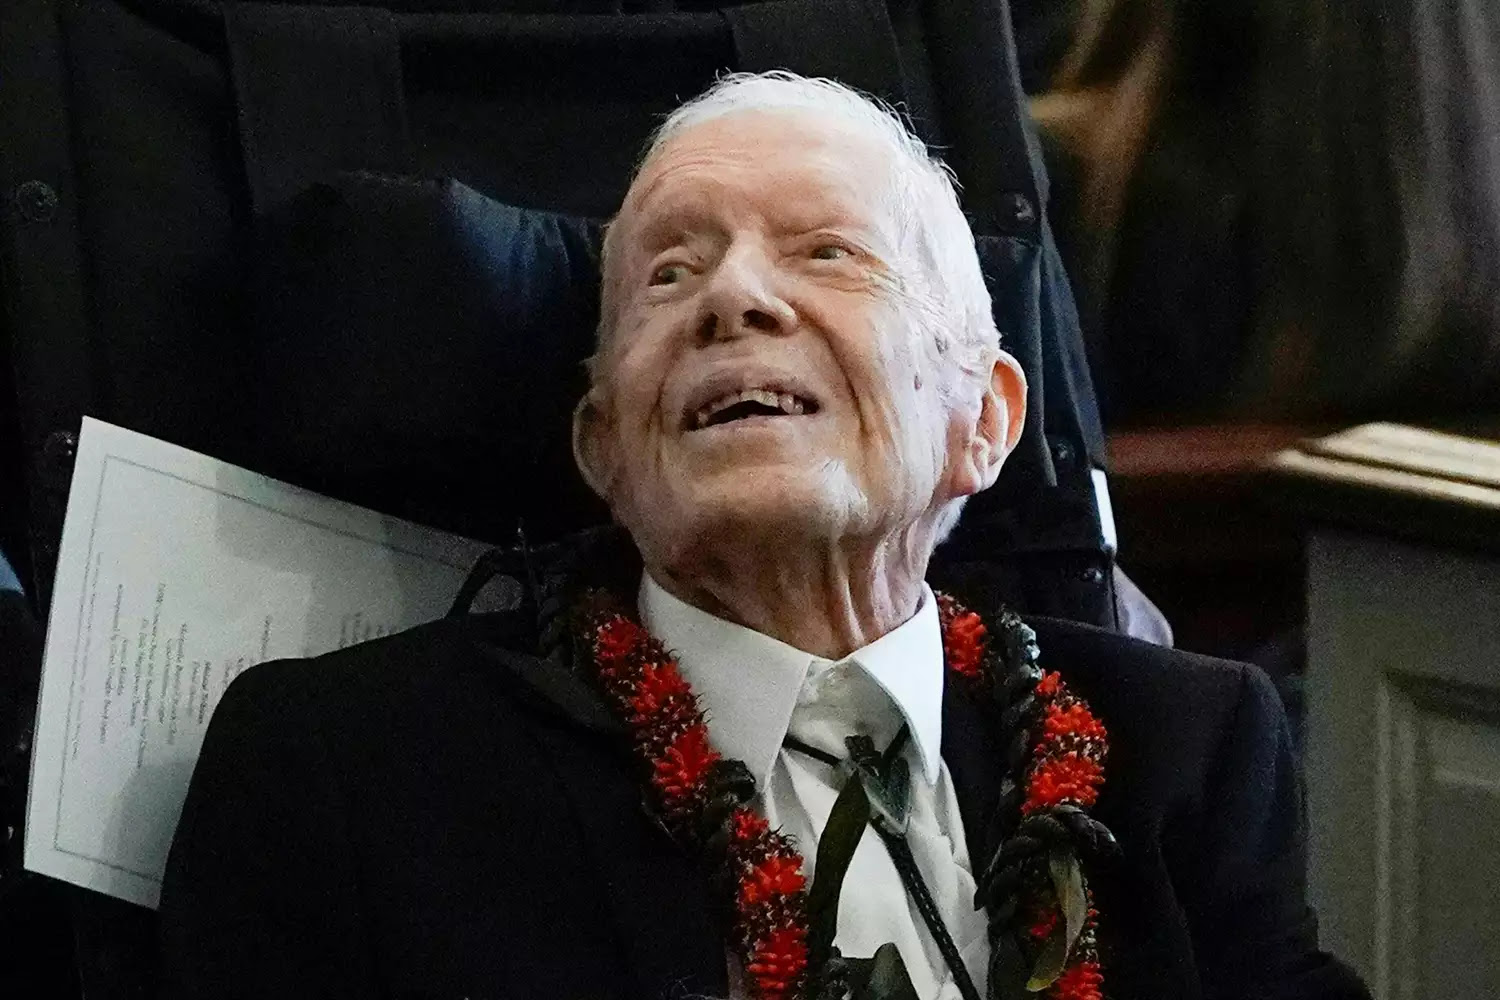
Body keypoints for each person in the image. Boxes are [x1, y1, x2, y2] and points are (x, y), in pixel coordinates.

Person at [159, 72, 1367, 1000]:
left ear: (985, 421)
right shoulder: (349, 775)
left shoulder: (1189, 752)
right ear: (603, 447)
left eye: (826, 252)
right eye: (668, 277)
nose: (737, 297)